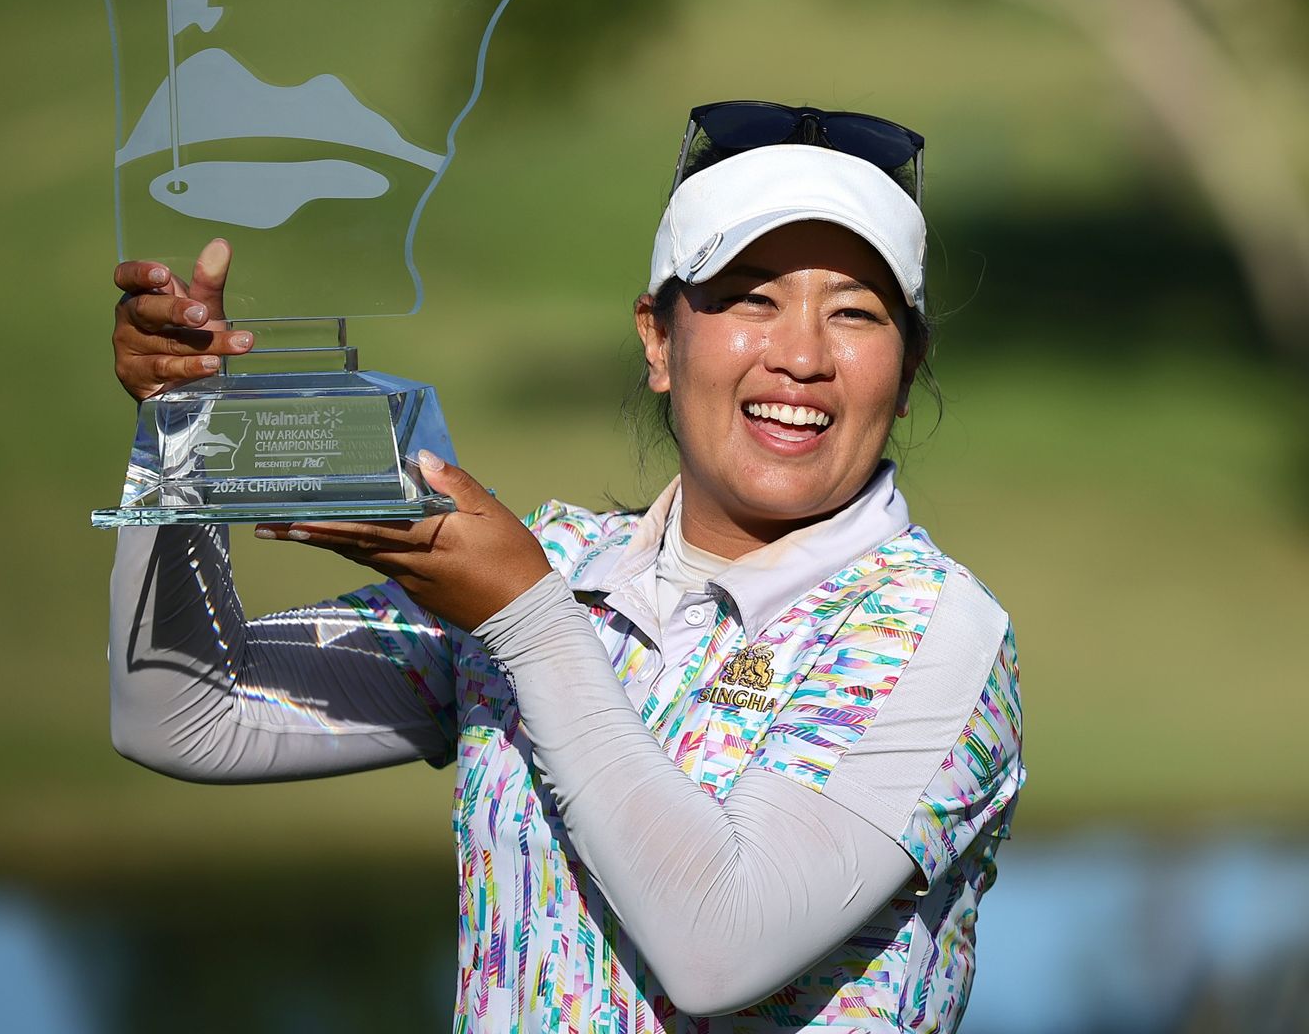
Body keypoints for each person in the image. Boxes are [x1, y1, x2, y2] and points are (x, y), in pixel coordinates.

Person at [105, 102, 1024, 1033]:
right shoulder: (562, 563)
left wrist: (530, 623)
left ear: (905, 375)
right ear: (659, 340)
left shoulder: (937, 631)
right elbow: (184, 716)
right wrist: (181, 434)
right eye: (750, 298)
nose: (801, 356)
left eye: (855, 314)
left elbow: (720, 946)